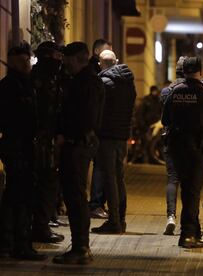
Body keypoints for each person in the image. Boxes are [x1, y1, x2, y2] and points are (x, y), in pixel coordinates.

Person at [162, 57, 203, 248]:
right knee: (192, 190)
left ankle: (194, 231)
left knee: (185, 187)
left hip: (176, 146)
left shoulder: (174, 92)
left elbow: (165, 119)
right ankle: (188, 234)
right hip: (196, 147)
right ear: (199, 71)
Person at [53, 42, 104, 265]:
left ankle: (80, 247)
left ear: (75, 59)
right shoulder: (85, 81)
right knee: (76, 197)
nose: (64, 64)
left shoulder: (86, 83)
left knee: (75, 197)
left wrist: (66, 135)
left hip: (77, 145)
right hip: (79, 144)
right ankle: (80, 247)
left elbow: (86, 118)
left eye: (67, 59)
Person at [0, 46, 47, 260]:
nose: (27, 64)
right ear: (13, 62)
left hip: (23, 145)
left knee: (17, 195)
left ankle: (11, 242)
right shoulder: (11, 86)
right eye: (23, 61)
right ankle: (18, 243)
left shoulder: (26, 84)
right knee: (20, 196)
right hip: (17, 146)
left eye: (28, 60)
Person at [90, 50, 136, 234]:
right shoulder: (129, 83)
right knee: (119, 178)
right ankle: (121, 219)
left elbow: (96, 110)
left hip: (107, 136)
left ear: (101, 64)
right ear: (116, 61)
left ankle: (114, 221)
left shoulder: (103, 83)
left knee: (110, 179)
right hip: (122, 137)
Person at [31, 41, 65, 244]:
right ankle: (40, 227)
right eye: (56, 57)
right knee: (44, 184)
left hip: (47, 140)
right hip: (40, 141)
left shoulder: (49, 78)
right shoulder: (40, 80)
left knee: (48, 184)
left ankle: (41, 225)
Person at [161, 56, 187, 235]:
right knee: (190, 182)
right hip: (190, 140)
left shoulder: (166, 91)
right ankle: (189, 220)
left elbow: (164, 117)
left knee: (172, 178)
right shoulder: (196, 90)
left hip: (171, 138)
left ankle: (171, 216)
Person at [88, 39, 113, 219]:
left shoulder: (98, 74)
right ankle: (95, 204)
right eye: (106, 51)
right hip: (96, 128)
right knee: (99, 167)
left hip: (100, 127)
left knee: (101, 167)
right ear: (97, 52)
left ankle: (98, 203)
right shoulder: (94, 74)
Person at [134, 85, 162, 163]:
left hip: (155, 126)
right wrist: (142, 125)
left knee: (152, 144)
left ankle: (151, 159)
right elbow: (141, 113)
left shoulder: (158, 101)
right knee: (146, 143)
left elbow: (160, 112)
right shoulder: (146, 100)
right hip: (146, 127)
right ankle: (145, 160)